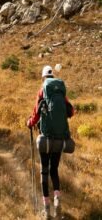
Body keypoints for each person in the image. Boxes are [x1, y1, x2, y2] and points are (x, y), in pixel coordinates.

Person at [27, 65, 74, 220]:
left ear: (43, 77)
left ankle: (46, 209)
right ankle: (57, 199)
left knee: (44, 171)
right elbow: (71, 111)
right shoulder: (60, 91)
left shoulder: (42, 91)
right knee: (54, 170)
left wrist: (29, 123)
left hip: (45, 139)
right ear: (53, 76)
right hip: (60, 140)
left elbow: (36, 114)